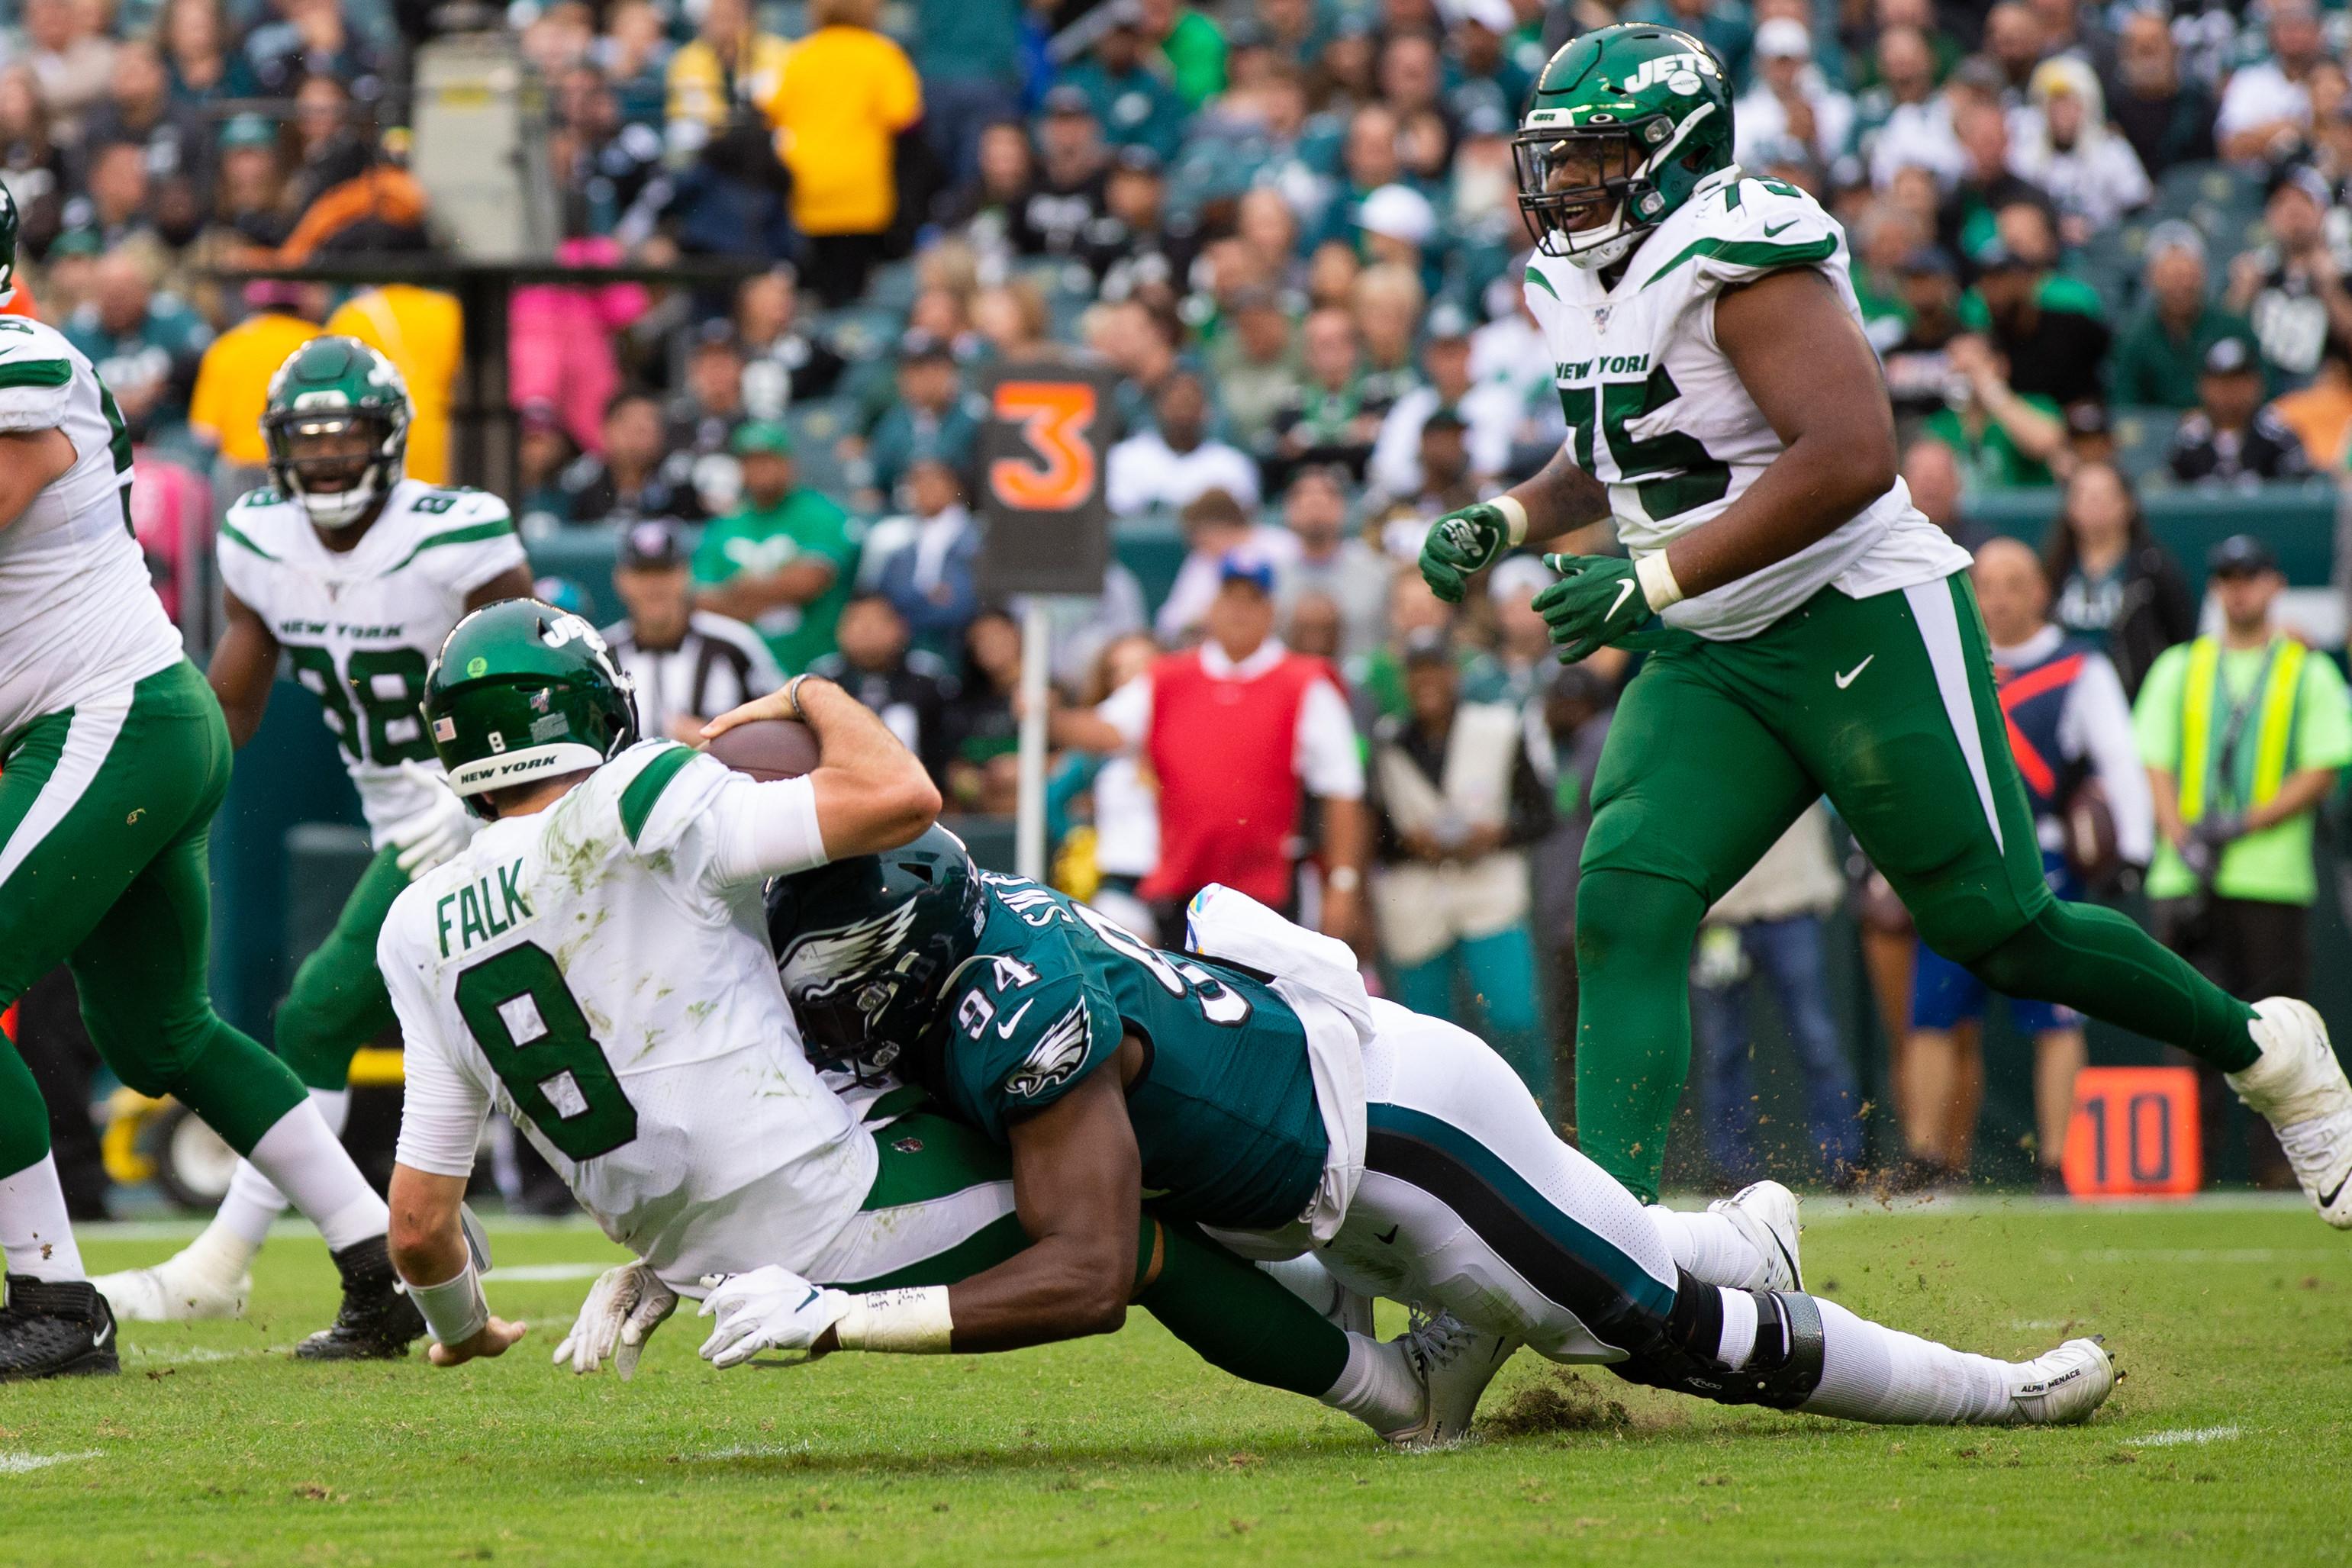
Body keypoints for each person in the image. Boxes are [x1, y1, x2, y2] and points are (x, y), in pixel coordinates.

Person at [1421, 26, 2352, 1228]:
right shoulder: (1572, 279)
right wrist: (1507, 515)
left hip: (1857, 612)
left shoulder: (1737, 249)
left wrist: (1641, 587)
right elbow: (1631, 444)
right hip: (1719, 641)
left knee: (1996, 928)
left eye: (1595, 155)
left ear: (1671, 153)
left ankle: (2266, 1052)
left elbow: (1853, 456)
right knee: (1621, 903)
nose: (1567, 183)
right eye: (1558, 157)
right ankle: (1609, 1246)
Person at [383, 604, 1484, 1450]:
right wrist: (817, 688)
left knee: (1043, 1113)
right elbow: (902, 796)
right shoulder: (635, 799)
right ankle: (1393, 1390)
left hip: (698, 1233)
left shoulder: (411, 924)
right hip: (829, 1193)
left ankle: (1353, 1292)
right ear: (590, 705)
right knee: (1111, 1225)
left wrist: (461, 1324)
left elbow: (422, 1226)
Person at [748, 832, 2121, 1434]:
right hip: (1327, 1154)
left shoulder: (1005, 1005)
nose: (826, 1013)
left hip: (1407, 1144)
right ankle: (1738, 1235)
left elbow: (1091, 1270)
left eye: (836, 979)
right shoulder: (959, 955)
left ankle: (1986, 1388)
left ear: (907, 947)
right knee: (1591, 1261)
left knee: (1664, 1335)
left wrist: (841, 1316)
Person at [0, 246, 416, 1376]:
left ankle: (48, 1292)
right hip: (117, 723)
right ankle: (381, 1265)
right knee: (158, 1032)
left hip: (110, 719)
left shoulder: (26, 358)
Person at [94, 334, 535, 1330]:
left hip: (495, 810)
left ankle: (241, 1257)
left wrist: (474, 796)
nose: (331, 458)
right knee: (383, 1025)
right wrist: (161, 799)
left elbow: (532, 686)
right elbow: (232, 705)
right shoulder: (260, 538)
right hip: (405, 819)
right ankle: (395, 1243)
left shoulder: (458, 531)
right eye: (311, 438)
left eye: (350, 436)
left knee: (319, 1012)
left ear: (393, 439)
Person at [1903, 539, 2153, 1194]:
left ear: (2043, 589)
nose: (2001, 597)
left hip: (2041, 860)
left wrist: (2135, 850)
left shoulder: (2079, 667)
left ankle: (2055, 1161)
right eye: (1987, 584)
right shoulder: (1946, 662)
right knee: (1930, 1013)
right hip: (1957, 859)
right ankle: (1926, 1159)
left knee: (2057, 1016)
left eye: (2016, 582)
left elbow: (2121, 763)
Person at [2135, 536, 2352, 1188]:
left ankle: (2278, 1171)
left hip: (2269, 877)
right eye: (2227, 575)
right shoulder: (2182, 664)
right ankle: (2186, 1170)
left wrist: (2244, 823)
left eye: (2251, 575)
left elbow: (2322, 766)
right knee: (2188, 1027)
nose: (2239, 587)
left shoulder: (2305, 669)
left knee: (2276, 1030)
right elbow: (2155, 760)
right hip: (2188, 875)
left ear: (2274, 582)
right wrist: (2183, 837)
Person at [1054, 550, 1368, 948]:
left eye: (1252, 600)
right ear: (1212, 606)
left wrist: (1342, 883)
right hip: (1184, 884)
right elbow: (1107, 730)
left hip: (1270, 887)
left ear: (1270, 610)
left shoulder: (1304, 683)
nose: (1239, 611)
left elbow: (1343, 792)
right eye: (1230, 598)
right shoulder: (1168, 677)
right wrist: (1047, 715)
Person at [1368, 629, 1556, 1107]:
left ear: (1453, 674)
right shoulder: (1390, 740)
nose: (1426, 681)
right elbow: (1375, 834)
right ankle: (1440, 1142)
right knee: (1425, 1035)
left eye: (1435, 669)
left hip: (1488, 890)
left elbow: (1541, 814)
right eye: (1417, 672)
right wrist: (1412, 844)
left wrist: (1495, 835)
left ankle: (1536, 1122)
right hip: (1417, 901)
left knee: (1515, 1017)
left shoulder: (1497, 726)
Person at [1688, 807, 1860, 1188]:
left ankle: (1844, 1162)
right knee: (1722, 1050)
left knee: (1817, 1041)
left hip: (1791, 902)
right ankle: (1732, 1169)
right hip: (1722, 913)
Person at [765, 0, 921, 307]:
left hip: (809, 187)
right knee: (852, 294)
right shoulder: (881, 53)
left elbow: (771, 114)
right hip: (861, 191)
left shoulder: (800, 55)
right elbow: (907, 118)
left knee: (819, 289)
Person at [693, 421, 857, 676]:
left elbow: (808, 582)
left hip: (816, 665)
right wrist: (776, 587)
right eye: (752, 462)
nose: (761, 469)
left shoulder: (821, 514)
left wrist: (741, 592)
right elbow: (701, 601)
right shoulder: (724, 526)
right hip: (743, 672)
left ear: (789, 464)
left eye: (769, 459)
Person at [603, 518, 781, 745]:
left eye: (664, 572)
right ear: (621, 580)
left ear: (686, 574)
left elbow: (780, 728)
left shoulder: (733, 645)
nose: (654, 586)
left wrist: (718, 740)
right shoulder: (601, 655)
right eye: (643, 574)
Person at [2041, 461, 2194, 700]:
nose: (2095, 504)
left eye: (2104, 495)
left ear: (2128, 504)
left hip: (2135, 701)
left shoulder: (2153, 569)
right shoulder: (2054, 571)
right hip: (2065, 700)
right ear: (2070, 507)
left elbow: (2181, 640)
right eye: (2085, 496)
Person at [810, 591, 957, 784]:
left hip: (921, 795)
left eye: (876, 622)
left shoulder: (928, 679)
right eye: (856, 622)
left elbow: (950, 747)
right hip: (842, 795)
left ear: (901, 628)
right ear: (840, 631)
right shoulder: (823, 681)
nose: (866, 630)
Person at [2111, 224, 2251, 412]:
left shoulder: (2233, 329)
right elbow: (2125, 405)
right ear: (2151, 279)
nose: (2180, 288)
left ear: (2203, 275)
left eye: (2187, 277)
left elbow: (2259, 392)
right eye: (2170, 278)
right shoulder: (2135, 337)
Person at [1107, 369, 1260, 517]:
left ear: (1206, 410)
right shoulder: (1125, 457)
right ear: (1157, 408)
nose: (1182, 411)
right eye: (1175, 403)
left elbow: (1242, 525)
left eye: (1189, 402)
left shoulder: (1232, 464)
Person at [2169, 335, 2313, 485]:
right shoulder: (2189, 440)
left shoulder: (2279, 438)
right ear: (2203, 386)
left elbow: (2300, 492)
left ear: (2257, 384)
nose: (2230, 391)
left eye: (2239, 380)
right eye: (2221, 381)